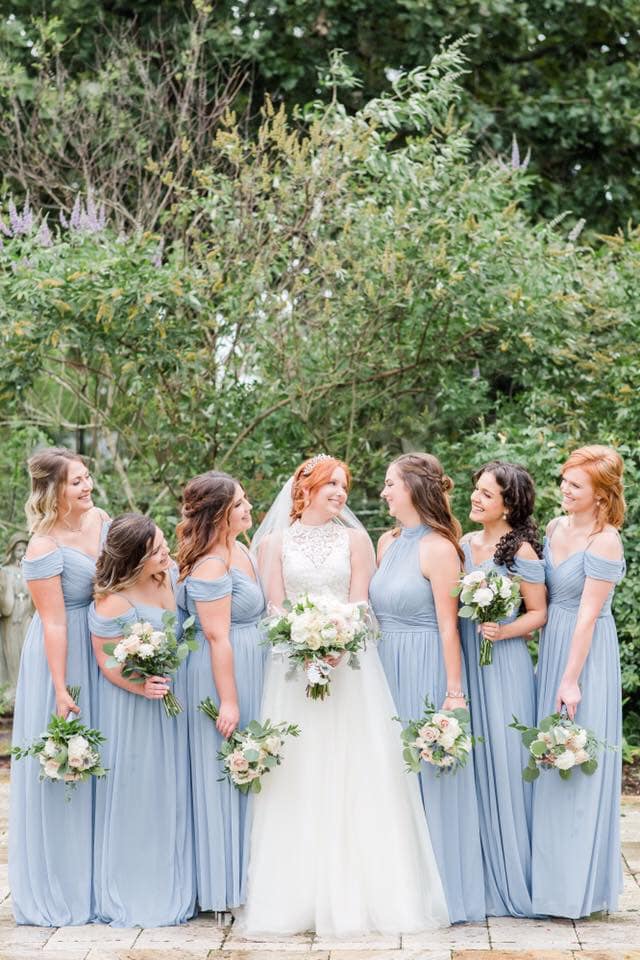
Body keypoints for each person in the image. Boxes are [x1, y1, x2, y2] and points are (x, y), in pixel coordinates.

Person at [238, 454, 448, 937]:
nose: (340, 492)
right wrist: (302, 641)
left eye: (344, 485)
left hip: (351, 671)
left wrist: (335, 645)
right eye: (331, 483)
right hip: (292, 672)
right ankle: (294, 896)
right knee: (298, 774)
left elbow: (362, 604)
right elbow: (272, 610)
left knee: (359, 770)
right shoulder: (272, 544)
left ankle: (366, 894)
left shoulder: (357, 540)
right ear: (305, 488)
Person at [369, 452, 485, 923]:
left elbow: (448, 627)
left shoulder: (439, 547)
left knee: (429, 775)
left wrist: (453, 693)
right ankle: (397, 890)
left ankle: (445, 894)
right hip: (381, 670)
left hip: (424, 666)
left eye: (390, 484)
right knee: (388, 779)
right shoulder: (386, 541)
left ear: (414, 488)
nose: (384, 492)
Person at [9, 447, 109, 925]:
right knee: (68, 761)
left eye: (87, 477)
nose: (87, 487)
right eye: (76, 482)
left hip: (102, 646)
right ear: (53, 492)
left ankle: (102, 878)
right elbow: (52, 622)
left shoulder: (102, 520)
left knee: (101, 760)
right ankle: (62, 886)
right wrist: (61, 686)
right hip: (61, 653)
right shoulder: (43, 547)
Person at [531, 444, 625, 918]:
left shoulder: (605, 541)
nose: (565, 490)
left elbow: (588, 617)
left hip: (585, 659)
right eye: (563, 480)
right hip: (552, 649)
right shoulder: (553, 528)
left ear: (601, 495)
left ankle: (575, 893)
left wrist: (569, 682)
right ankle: (546, 886)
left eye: (576, 485)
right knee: (548, 763)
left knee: (577, 763)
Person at [89, 513, 196, 927]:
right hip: (134, 708)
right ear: (134, 559)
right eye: (154, 549)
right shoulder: (114, 600)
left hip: (176, 696)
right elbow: (107, 661)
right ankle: (136, 886)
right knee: (140, 790)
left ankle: (176, 878)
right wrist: (141, 686)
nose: (166, 551)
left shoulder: (167, 576)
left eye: (162, 541)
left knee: (172, 788)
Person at [460, 461, 547, 917]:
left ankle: (514, 875)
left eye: (486, 494)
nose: (476, 498)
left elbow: (539, 612)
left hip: (504, 664)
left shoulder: (524, 553)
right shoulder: (463, 544)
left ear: (508, 504)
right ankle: (476, 874)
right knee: (473, 765)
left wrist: (504, 631)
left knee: (506, 763)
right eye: (475, 490)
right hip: (468, 664)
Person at [176, 472, 266, 912]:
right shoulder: (212, 564)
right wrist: (229, 700)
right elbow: (216, 636)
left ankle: (250, 875)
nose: (249, 508)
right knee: (225, 771)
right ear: (218, 514)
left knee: (251, 770)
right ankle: (223, 884)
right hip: (222, 674)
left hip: (252, 664)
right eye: (240, 504)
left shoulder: (241, 549)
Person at [0, 533, 33, 697]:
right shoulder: (5, 571)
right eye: (18, 550)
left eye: (24, 549)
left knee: (27, 648)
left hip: (27, 613)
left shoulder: (31, 569)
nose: (21, 553)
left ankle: (28, 687)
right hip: (11, 616)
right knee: (11, 650)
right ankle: (12, 687)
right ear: (12, 551)